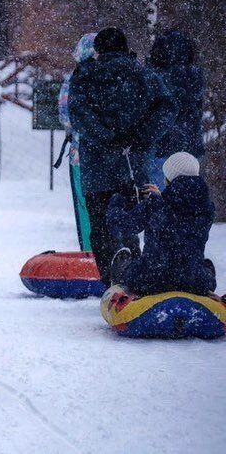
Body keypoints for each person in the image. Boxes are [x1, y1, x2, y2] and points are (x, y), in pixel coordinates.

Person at [68, 27, 175, 283]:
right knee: (132, 221)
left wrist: (106, 137)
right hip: (133, 165)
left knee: (101, 226)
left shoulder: (84, 75)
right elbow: (168, 108)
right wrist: (140, 135)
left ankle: (111, 279)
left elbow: (78, 115)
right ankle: (133, 274)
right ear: (126, 47)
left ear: (98, 50)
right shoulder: (144, 75)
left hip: (97, 167)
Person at [108, 152, 217, 296]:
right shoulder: (207, 209)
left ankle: (121, 271)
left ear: (169, 179)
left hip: (152, 280)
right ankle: (206, 273)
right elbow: (180, 212)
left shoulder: (156, 206)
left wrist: (118, 200)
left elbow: (119, 226)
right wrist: (161, 199)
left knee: (126, 267)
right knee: (202, 266)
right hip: (192, 281)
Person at [148, 30, 205, 187]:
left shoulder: (153, 78)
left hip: (161, 149)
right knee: (190, 200)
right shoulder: (195, 78)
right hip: (191, 151)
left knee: (160, 200)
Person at [57, 33, 97, 250]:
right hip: (113, 154)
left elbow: (64, 114)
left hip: (81, 154)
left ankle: (90, 252)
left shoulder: (74, 77)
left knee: (85, 205)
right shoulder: (114, 75)